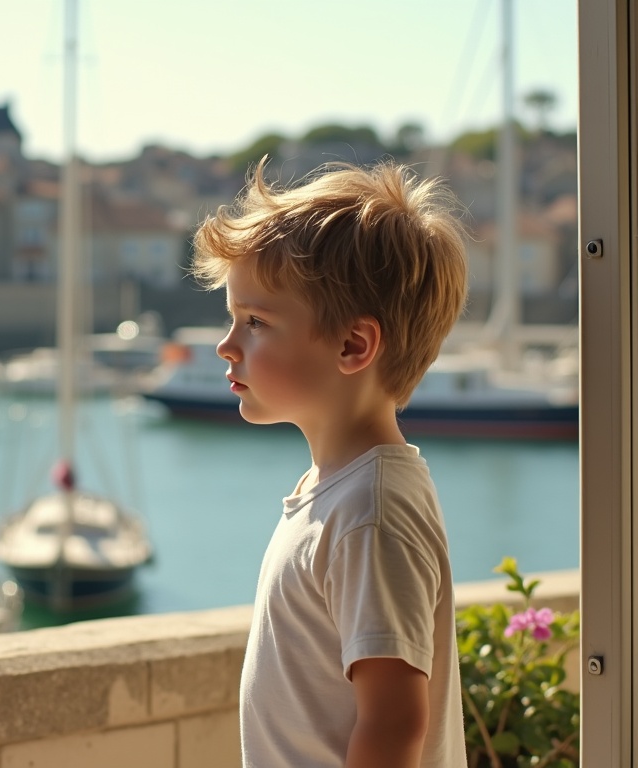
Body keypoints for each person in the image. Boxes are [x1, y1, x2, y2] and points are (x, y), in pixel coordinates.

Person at [192, 158, 469, 768]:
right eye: (233, 318)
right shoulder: (337, 492)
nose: (225, 345)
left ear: (353, 346)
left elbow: (394, 723)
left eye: (256, 322)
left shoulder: (369, 513)